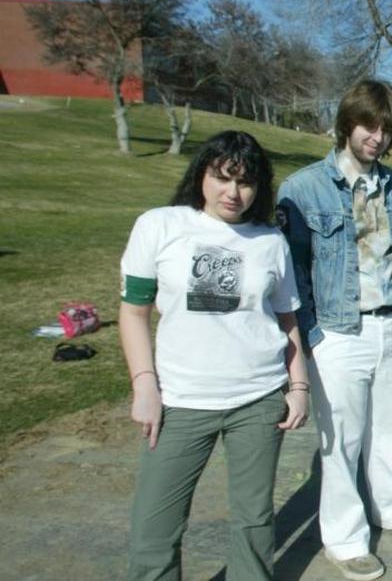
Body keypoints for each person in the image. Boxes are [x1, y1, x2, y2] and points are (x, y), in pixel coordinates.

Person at [120, 131, 308, 581]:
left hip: (258, 400)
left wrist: (298, 386)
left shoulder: (269, 241)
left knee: (254, 520)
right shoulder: (160, 225)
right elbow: (133, 312)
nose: (233, 192)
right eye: (222, 178)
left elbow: (287, 320)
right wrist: (144, 384)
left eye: (245, 182)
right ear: (201, 175)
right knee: (155, 526)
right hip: (180, 403)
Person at [277, 79, 392, 581]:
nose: (378, 137)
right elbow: (293, 273)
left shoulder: (391, 184)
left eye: (387, 129)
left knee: (390, 427)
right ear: (347, 123)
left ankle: (390, 505)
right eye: (370, 125)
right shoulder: (303, 188)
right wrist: (314, 336)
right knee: (341, 438)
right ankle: (346, 538)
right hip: (340, 329)